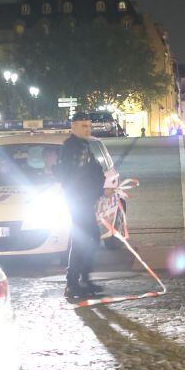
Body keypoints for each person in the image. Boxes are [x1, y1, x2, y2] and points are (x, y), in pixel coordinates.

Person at [57, 111, 109, 298]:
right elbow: (79, 178)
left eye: (89, 126)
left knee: (90, 239)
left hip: (82, 200)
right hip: (78, 200)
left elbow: (93, 170)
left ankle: (83, 280)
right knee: (83, 241)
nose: (88, 129)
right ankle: (73, 282)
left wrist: (102, 187)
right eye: (83, 126)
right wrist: (101, 190)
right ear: (73, 127)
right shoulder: (73, 148)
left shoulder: (82, 145)